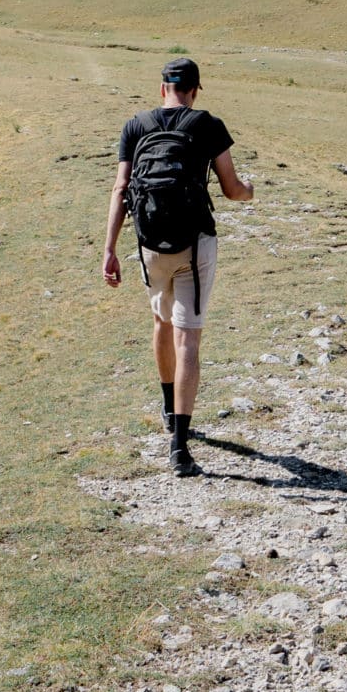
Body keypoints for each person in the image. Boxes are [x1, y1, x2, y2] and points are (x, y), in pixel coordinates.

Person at [101, 55, 252, 477]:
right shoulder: (208, 125)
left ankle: (168, 407)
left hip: (150, 244)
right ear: (196, 89)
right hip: (194, 243)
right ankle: (180, 449)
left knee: (161, 324)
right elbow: (231, 188)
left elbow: (121, 188)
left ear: (161, 87)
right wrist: (250, 193)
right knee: (189, 340)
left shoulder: (135, 126)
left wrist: (109, 249)